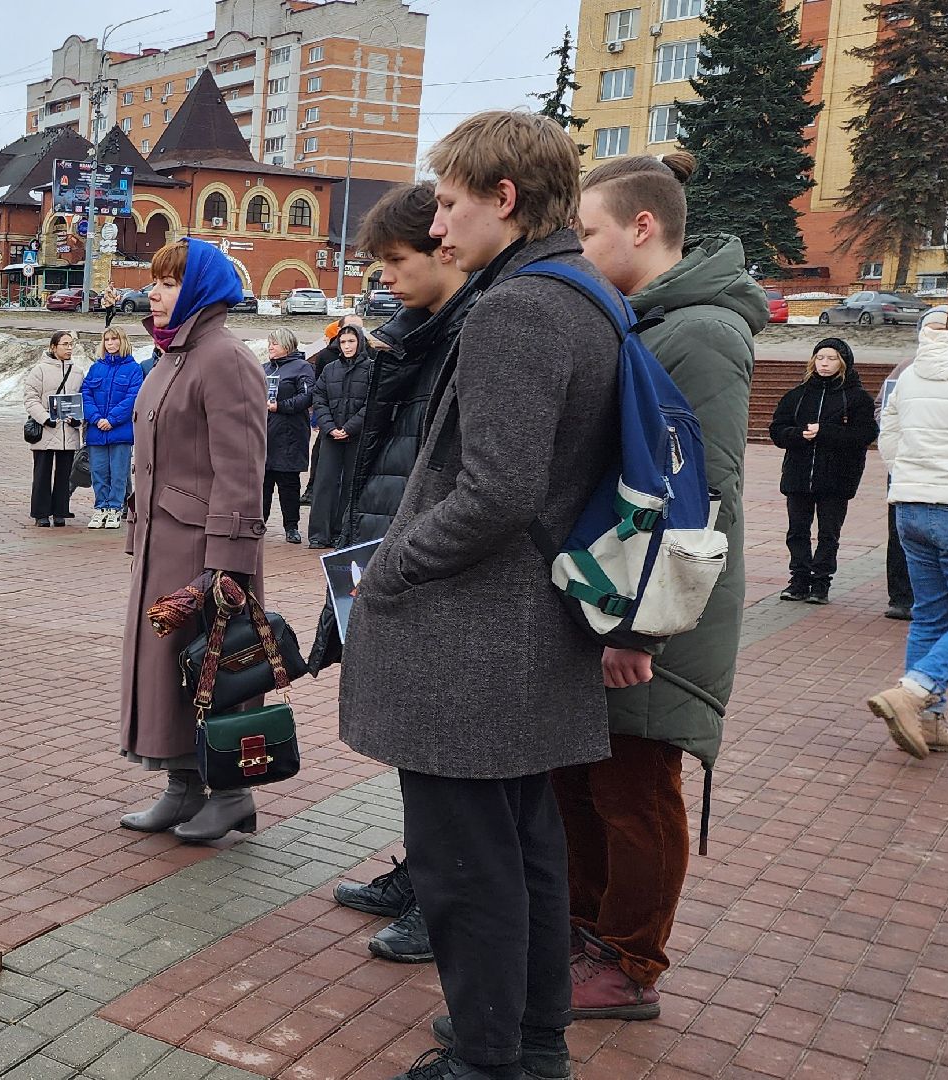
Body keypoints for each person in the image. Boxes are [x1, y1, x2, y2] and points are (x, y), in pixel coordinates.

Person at [337, 110, 621, 1080]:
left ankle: (492, 1058)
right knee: (529, 851)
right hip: (529, 632)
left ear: (506, 200)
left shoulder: (517, 310)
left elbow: (496, 491)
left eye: (452, 206)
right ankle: (530, 1043)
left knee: (470, 872)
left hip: (478, 643)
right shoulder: (579, 291)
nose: (440, 228)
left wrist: (396, 568)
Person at [555, 150, 764, 1023]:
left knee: (636, 791)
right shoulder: (649, 321)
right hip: (618, 599)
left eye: (588, 232)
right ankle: (584, 936)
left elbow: (697, 497)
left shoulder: (702, 333)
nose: (578, 248)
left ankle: (629, 961)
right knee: (588, 782)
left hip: (656, 613)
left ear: (641, 227)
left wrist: (640, 631)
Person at [323, 182, 478, 967]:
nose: (384, 275)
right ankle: (420, 876)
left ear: (443, 248)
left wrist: (391, 567)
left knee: (445, 757)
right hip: (387, 558)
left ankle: (440, 902)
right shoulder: (416, 336)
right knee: (415, 750)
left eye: (395, 258)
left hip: (425, 569)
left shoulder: (466, 338)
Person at [116, 237, 267, 842]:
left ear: (202, 291)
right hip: (165, 548)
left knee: (215, 672)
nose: (153, 291)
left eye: (170, 282)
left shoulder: (224, 358)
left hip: (204, 553)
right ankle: (182, 787)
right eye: (154, 281)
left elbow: (241, 469)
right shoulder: (172, 355)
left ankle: (231, 793)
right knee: (166, 673)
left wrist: (227, 564)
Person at [869, 285, 948, 759]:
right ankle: (914, 691)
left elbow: (891, 441)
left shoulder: (915, 371)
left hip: (911, 506)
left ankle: (929, 720)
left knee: (930, 614)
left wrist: (917, 479)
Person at [769, 337, 878, 604]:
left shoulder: (857, 398)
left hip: (837, 477)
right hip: (799, 475)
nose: (825, 364)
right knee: (797, 530)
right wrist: (797, 434)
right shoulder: (798, 395)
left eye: (831, 358)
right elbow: (777, 430)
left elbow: (864, 434)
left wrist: (825, 432)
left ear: (842, 362)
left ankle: (821, 582)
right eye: (820, 358)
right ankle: (799, 580)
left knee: (829, 532)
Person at [884, 307, 943, 621]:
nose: (934, 335)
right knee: (902, 532)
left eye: (941, 329)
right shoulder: (905, 369)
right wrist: (896, 457)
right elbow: (885, 414)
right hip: (907, 466)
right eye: (929, 329)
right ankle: (902, 596)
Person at [306, 326, 375, 549]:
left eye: (351, 341)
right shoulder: (330, 369)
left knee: (350, 485)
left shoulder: (371, 369)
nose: (347, 346)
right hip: (330, 435)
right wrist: (329, 426)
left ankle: (341, 532)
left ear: (360, 343)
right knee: (324, 483)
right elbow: (319, 398)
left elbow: (372, 404)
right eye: (343, 342)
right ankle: (318, 534)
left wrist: (350, 427)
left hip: (356, 437)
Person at [80, 327, 144, 529]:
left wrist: (113, 419)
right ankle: (101, 508)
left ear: (122, 341)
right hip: (97, 430)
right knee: (98, 472)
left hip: (120, 430)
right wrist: (96, 418)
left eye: (114, 339)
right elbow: (86, 393)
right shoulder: (97, 368)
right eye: (107, 339)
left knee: (118, 472)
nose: (110, 343)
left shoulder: (133, 369)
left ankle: (115, 509)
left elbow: (133, 398)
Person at [21, 331, 85, 527]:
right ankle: (40, 513)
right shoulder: (39, 370)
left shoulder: (77, 371)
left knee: (65, 473)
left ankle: (60, 511)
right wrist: (45, 418)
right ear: (53, 347)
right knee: (42, 473)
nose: (69, 348)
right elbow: (30, 398)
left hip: (68, 432)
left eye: (71, 344)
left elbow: (83, 399)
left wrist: (78, 420)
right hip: (46, 430)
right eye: (65, 344)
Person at [259, 329, 316, 544]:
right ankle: (259, 523)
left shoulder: (303, 368)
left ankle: (291, 526)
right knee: (263, 483)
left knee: (289, 484)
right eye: (269, 343)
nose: (270, 347)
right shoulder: (264, 368)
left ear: (287, 345)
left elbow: (307, 396)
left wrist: (281, 406)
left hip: (290, 434)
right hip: (265, 434)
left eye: (274, 343)